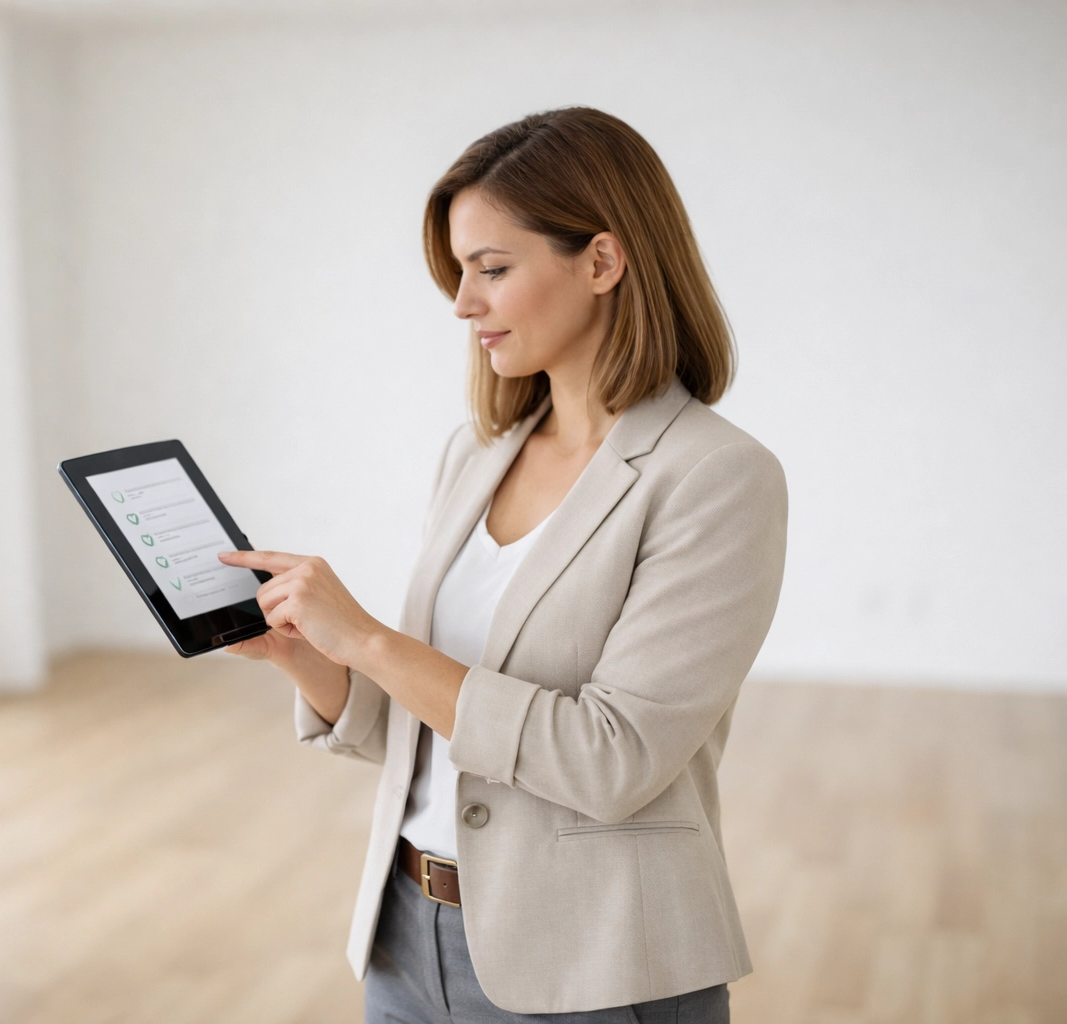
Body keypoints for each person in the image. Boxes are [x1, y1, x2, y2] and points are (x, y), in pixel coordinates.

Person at [218, 107, 787, 1023]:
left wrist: (367, 638)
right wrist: (316, 662)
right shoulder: (477, 454)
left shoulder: (716, 477)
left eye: (491, 269)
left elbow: (615, 760)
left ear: (603, 262)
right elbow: (437, 734)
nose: (462, 303)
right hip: (408, 938)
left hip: (595, 963)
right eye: (457, 272)